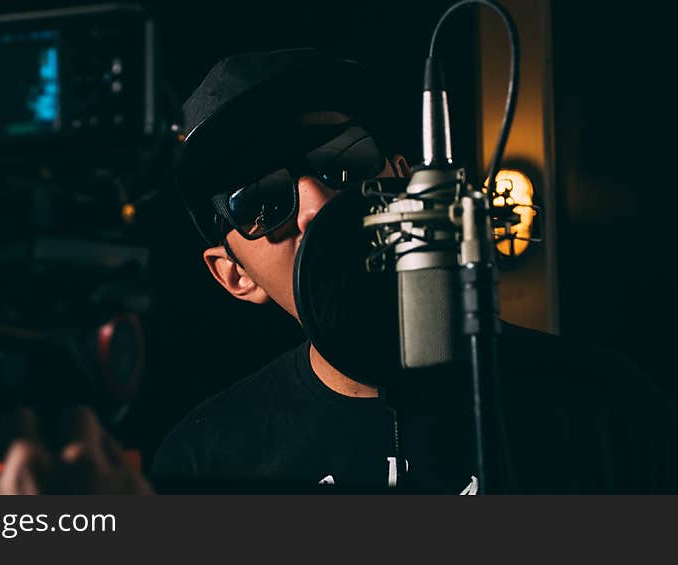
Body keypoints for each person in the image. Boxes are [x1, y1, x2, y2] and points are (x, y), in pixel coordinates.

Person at [150, 48, 678, 493]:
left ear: (406, 184)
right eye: (260, 202)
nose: (321, 204)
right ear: (233, 274)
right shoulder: (203, 464)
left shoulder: (607, 411)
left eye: (344, 163)